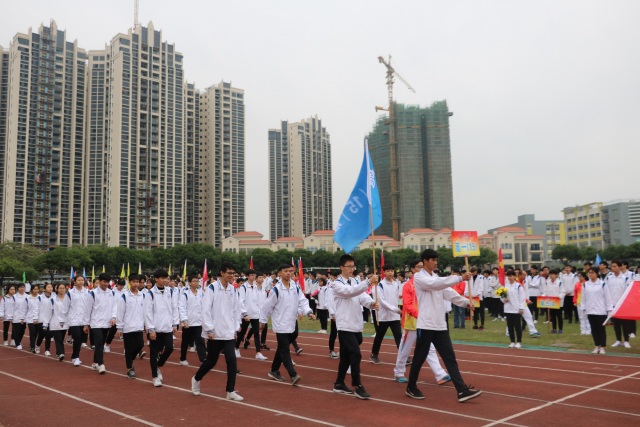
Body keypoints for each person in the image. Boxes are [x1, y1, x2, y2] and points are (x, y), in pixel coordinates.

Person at [406, 249, 482, 403]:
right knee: (420, 358)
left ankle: (462, 390)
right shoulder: (419, 277)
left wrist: (466, 302)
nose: (435, 262)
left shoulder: (436, 277)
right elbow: (435, 285)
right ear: (426, 261)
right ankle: (411, 386)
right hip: (426, 324)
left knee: (450, 358)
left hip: (440, 325)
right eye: (433, 259)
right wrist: (459, 278)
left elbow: (448, 293)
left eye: (436, 259)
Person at [191, 263, 244, 401]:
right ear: (222, 273)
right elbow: (205, 309)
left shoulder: (233, 290)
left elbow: (236, 310)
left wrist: (236, 327)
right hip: (214, 333)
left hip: (228, 333)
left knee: (232, 361)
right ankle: (196, 378)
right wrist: (209, 329)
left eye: (233, 273)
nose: (232, 276)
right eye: (229, 273)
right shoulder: (212, 288)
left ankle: (230, 390)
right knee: (211, 361)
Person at [394, 259, 450, 385]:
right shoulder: (407, 285)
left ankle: (440, 373)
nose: (421, 269)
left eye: (422, 267)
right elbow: (407, 305)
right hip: (411, 322)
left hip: (425, 323)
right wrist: (418, 315)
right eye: (418, 267)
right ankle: (398, 371)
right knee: (405, 349)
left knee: (429, 348)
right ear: (412, 270)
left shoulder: (428, 283)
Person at [331, 254, 379, 400]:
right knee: (355, 354)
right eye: (349, 266)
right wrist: (368, 282)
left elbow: (361, 296)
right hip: (345, 326)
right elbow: (350, 293)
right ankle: (357, 385)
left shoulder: (354, 281)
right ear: (341, 267)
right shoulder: (337, 284)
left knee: (345, 357)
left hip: (356, 325)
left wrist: (371, 303)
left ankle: (339, 383)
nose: (352, 269)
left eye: (353, 266)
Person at [260, 264, 315, 386]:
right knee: (284, 349)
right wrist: (263, 321)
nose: (288, 273)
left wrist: (308, 312)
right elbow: (267, 307)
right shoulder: (276, 290)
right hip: (280, 323)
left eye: (290, 271)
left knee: (283, 345)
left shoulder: (295, 287)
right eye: (285, 271)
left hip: (292, 322)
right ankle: (293, 374)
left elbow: (302, 300)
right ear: (280, 273)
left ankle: (274, 370)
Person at [145, 269, 179, 387]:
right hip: (156, 328)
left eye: (166, 278)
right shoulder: (150, 294)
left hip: (167, 327)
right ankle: (155, 376)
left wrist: (175, 324)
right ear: (156, 279)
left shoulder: (171, 292)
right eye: (163, 278)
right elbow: (148, 312)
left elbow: (174, 308)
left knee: (169, 348)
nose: (165, 280)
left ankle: (158, 365)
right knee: (154, 352)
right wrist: (151, 329)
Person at [84, 273, 117, 374]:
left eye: (108, 282)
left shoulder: (112, 293)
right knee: (98, 343)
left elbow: (114, 307)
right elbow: (87, 309)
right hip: (95, 322)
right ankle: (101, 364)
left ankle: (94, 363)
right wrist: (86, 324)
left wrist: (113, 317)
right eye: (104, 281)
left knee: (101, 344)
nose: (106, 284)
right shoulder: (92, 294)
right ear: (99, 281)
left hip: (107, 322)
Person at [116, 274, 147, 378]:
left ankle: (131, 359)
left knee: (140, 345)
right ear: (129, 282)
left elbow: (145, 311)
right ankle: (130, 368)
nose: (136, 284)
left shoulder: (142, 295)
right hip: (127, 326)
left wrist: (146, 325)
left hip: (139, 326)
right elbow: (120, 312)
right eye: (133, 282)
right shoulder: (124, 296)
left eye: (137, 282)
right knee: (128, 348)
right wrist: (119, 327)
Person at [370, 265, 402, 364]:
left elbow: (399, 297)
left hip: (395, 316)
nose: (390, 273)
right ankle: (374, 354)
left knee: (399, 337)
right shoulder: (380, 285)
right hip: (383, 316)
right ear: (384, 272)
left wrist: (400, 307)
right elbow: (382, 302)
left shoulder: (396, 284)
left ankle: (402, 356)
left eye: (392, 271)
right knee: (379, 336)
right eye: (388, 271)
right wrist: (395, 309)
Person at [235, 269, 268, 361]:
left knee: (257, 333)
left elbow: (259, 301)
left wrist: (261, 314)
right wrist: (244, 314)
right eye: (251, 275)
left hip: (255, 314)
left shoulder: (257, 287)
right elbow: (240, 301)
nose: (253, 277)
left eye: (254, 275)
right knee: (242, 333)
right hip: (246, 315)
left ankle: (258, 352)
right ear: (247, 276)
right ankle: (236, 348)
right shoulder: (243, 287)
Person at [178, 275, 207, 365]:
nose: (196, 283)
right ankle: (182, 358)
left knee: (200, 340)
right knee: (185, 342)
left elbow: (204, 306)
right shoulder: (185, 294)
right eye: (194, 281)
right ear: (189, 283)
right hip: (188, 323)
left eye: (197, 281)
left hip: (198, 322)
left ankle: (203, 359)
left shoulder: (201, 293)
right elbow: (182, 307)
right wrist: (184, 320)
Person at [583, 267, 612, 354]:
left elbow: (608, 298)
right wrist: (584, 309)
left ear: (597, 273)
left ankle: (603, 347)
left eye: (592, 272)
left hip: (601, 311)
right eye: (589, 273)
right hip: (590, 310)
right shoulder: (585, 285)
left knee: (601, 329)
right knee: (594, 329)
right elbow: (583, 298)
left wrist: (609, 310)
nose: (590, 274)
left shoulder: (603, 284)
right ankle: (596, 346)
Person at [607, 260, 631, 348]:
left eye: (615, 266)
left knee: (625, 324)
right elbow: (607, 291)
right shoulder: (609, 278)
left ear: (620, 267)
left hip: (623, 305)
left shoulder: (625, 278)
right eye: (612, 266)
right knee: (616, 324)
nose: (613, 268)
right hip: (613, 305)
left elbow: (628, 292)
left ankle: (626, 341)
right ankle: (618, 340)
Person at [43, 283, 70, 361]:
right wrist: (45, 323)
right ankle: (61, 353)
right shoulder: (52, 300)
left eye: (63, 288)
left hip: (64, 322)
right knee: (57, 338)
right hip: (55, 322)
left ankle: (59, 353)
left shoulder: (68, 299)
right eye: (60, 288)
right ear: (57, 289)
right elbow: (48, 312)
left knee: (61, 338)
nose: (62, 290)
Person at [67, 275, 90, 366]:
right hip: (73, 319)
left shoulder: (87, 292)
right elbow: (66, 306)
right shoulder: (70, 292)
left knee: (81, 339)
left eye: (82, 280)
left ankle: (75, 356)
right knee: (77, 337)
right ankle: (75, 357)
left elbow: (88, 307)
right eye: (78, 280)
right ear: (75, 282)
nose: (81, 282)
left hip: (84, 319)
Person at [502, 271, 526, 348]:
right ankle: (512, 341)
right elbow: (501, 296)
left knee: (517, 326)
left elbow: (522, 298)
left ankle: (518, 341)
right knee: (510, 326)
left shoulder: (518, 286)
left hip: (516, 309)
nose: (510, 277)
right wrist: (503, 299)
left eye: (511, 276)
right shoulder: (505, 285)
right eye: (508, 276)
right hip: (508, 308)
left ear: (515, 277)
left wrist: (521, 307)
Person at [544, 269, 566, 334]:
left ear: (556, 275)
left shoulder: (560, 282)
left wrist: (558, 297)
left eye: (553, 274)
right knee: (553, 316)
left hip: (558, 302)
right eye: (550, 274)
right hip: (551, 302)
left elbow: (563, 292)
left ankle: (560, 329)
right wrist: (543, 296)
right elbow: (545, 291)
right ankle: (554, 329)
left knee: (559, 316)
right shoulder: (547, 282)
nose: (551, 276)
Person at [35, 283, 54, 355]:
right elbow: (36, 308)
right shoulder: (40, 298)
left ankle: (47, 349)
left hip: (50, 320)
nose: (50, 288)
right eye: (48, 287)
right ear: (44, 289)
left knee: (48, 335)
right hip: (41, 320)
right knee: (41, 335)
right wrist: (35, 318)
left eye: (51, 287)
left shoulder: (54, 297)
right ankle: (38, 345)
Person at [11, 283, 29, 350]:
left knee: (22, 331)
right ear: (18, 288)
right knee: (16, 330)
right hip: (16, 316)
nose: (22, 289)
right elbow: (11, 307)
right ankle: (18, 343)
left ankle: (18, 341)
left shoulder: (27, 296)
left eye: (23, 287)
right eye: (20, 287)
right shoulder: (14, 297)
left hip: (24, 317)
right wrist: (11, 316)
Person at [574, 272, 591, 336]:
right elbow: (575, 293)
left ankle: (588, 330)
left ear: (584, 277)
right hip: (579, 302)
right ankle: (583, 330)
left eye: (581, 276)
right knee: (581, 317)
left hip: (587, 302)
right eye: (578, 276)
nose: (579, 278)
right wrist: (575, 301)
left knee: (587, 317)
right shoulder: (577, 284)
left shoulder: (588, 283)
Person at [26, 285, 41, 353]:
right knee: (32, 332)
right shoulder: (28, 298)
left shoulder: (40, 297)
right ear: (31, 290)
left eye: (37, 289)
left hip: (38, 318)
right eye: (34, 289)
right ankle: (32, 346)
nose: (36, 290)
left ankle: (35, 345)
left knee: (37, 333)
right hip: (30, 318)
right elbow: (25, 308)